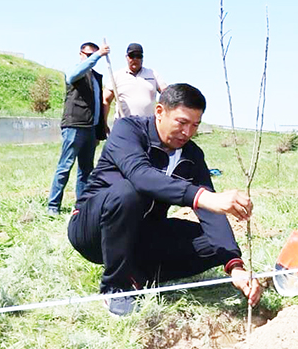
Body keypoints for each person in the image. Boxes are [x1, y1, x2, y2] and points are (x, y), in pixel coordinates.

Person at [68, 83, 261, 316]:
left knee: (215, 245)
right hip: (92, 230)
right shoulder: (128, 130)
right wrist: (202, 197)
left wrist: (235, 266)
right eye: (182, 122)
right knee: (128, 191)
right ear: (159, 112)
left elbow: (210, 212)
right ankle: (116, 287)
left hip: (142, 232)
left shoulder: (192, 155)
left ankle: (137, 276)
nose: (188, 132)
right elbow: (141, 176)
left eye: (195, 125)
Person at [47, 42, 110, 216]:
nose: (92, 59)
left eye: (94, 55)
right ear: (81, 54)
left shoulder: (96, 77)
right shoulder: (74, 72)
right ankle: (53, 206)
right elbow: (75, 74)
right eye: (89, 55)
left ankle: (81, 206)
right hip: (74, 126)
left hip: (90, 129)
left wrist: (99, 130)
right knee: (65, 166)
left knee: (86, 170)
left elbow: (98, 104)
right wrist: (98, 56)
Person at [102, 43, 167, 124]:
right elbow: (105, 99)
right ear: (127, 57)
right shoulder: (117, 76)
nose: (135, 59)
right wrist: (103, 123)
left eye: (138, 56)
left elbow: (167, 94)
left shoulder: (152, 74)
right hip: (124, 124)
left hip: (148, 125)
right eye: (132, 56)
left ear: (142, 58)